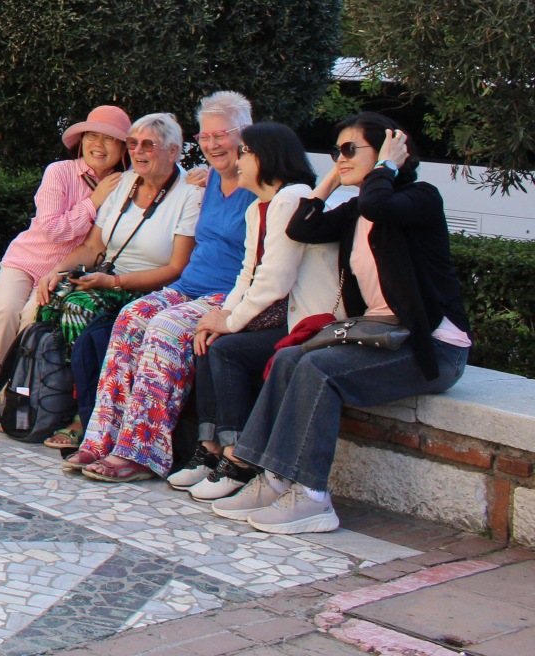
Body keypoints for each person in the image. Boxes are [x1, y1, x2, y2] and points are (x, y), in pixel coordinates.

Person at [209, 115, 469, 535]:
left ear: (388, 151)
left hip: (433, 347)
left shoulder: (420, 197)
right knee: (290, 358)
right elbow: (301, 227)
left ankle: (312, 496)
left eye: (349, 150)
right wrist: (331, 179)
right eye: (335, 151)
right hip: (381, 336)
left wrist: (387, 167)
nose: (340, 157)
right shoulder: (356, 210)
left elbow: (381, 205)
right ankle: (271, 477)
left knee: (318, 369)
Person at [69, 94, 257, 478]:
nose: (212, 144)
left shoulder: (260, 183)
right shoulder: (209, 179)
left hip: (226, 294)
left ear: (245, 134)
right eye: (205, 136)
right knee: (130, 318)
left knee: (164, 328)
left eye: (221, 135)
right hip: (191, 286)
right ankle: (100, 439)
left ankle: (141, 454)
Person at [171, 122, 333, 500]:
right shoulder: (258, 208)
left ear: (267, 156)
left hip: (307, 321)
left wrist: (231, 322)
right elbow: (247, 274)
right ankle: (210, 449)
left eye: (244, 152)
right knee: (207, 339)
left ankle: (239, 458)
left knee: (228, 350)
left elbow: (275, 279)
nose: (237, 161)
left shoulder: (291, 198)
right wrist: (220, 319)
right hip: (279, 314)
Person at [30, 112, 205, 449]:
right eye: (133, 143)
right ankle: (50, 399)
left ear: (173, 151)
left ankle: (84, 415)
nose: (138, 151)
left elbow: (177, 268)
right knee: (51, 300)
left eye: (148, 145)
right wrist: (57, 271)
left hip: (149, 287)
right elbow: (93, 247)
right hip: (107, 277)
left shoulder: (189, 193)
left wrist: (113, 283)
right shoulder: (124, 183)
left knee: (78, 308)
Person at [0, 105, 130, 423]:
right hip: (27, 260)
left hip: (65, 272)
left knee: (32, 318)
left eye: (110, 139)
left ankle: (18, 394)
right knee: (6, 312)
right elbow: (53, 230)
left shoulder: (124, 185)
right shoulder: (60, 172)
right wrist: (93, 202)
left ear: (123, 148)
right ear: (81, 141)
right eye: (92, 136)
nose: (99, 145)